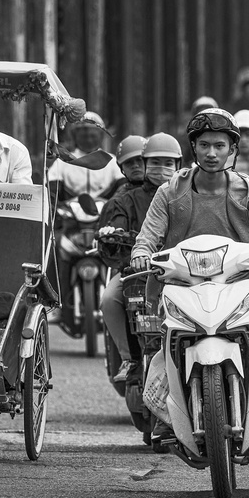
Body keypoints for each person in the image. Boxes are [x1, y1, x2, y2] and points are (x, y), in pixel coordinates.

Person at [131, 111, 249, 433]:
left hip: (235, 283)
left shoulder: (248, 191)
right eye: (203, 145)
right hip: (181, 283)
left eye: (220, 145)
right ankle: (169, 406)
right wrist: (141, 253)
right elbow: (148, 235)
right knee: (170, 335)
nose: (211, 153)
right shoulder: (170, 191)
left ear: (233, 148)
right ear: (193, 147)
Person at [99, 133, 181, 384]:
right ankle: (129, 357)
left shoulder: (190, 193)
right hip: (138, 270)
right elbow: (119, 227)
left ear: (179, 165)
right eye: (155, 162)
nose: (162, 169)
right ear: (145, 164)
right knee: (109, 299)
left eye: (169, 163)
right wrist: (113, 233)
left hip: (184, 269)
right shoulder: (126, 199)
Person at [47, 110, 122, 200]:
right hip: (69, 211)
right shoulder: (64, 161)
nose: (89, 139)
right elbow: (51, 187)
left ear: (101, 136)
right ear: (75, 136)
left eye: (93, 135)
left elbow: (123, 186)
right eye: (84, 136)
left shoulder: (111, 160)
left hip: (107, 211)